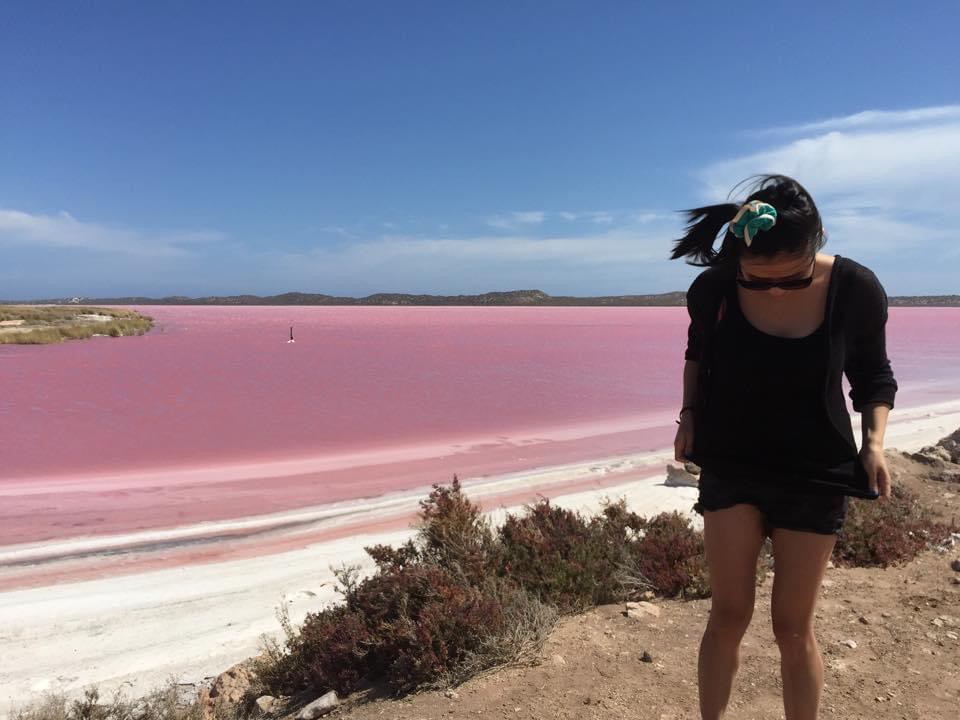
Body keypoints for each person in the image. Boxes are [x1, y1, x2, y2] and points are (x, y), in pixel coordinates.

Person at [670, 174, 897, 720]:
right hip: (733, 461)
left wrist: (874, 442)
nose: (774, 290)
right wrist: (689, 415)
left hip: (816, 468)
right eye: (756, 278)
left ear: (815, 242)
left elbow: (873, 374)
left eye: (792, 280)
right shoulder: (714, 289)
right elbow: (697, 353)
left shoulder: (855, 288)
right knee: (727, 615)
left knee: (793, 629)